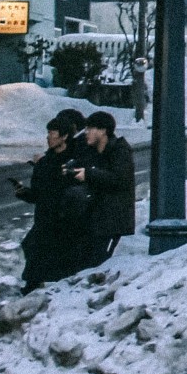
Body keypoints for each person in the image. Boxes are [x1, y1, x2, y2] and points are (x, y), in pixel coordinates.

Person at [13, 113, 87, 291]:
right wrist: (23, 192)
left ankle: (50, 290)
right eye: (48, 133)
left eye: (53, 133)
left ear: (64, 136)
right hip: (45, 218)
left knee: (55, 256)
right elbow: (38, 194)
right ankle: (35, 287)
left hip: (65, 219)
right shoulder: (45, 162)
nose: (48, 137)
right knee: (32, 248)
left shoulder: (75, 160)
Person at [72, 110, 136, 267]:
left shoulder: (120, 151)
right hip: (95, 219)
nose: (86, 133)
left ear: (103, 131)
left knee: (101, 262)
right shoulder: (92, 152)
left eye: (90, 129)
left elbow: (119, 179)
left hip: (112, 221)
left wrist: (89, 174)